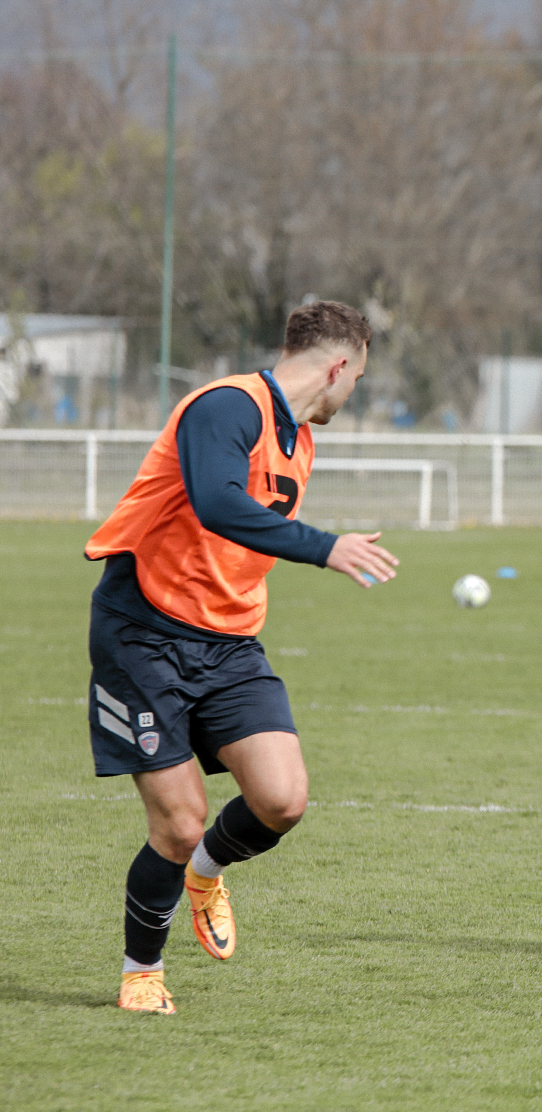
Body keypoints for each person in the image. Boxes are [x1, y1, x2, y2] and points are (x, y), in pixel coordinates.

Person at [85, 302, 398, 1014]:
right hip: (145, 634)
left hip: (228, 643)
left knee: (282, 799)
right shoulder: (227, 407)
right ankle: (142, 972)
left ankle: (205, 876)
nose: (354, 394)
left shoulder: (301, 441)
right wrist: (328, 546)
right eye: (360, 379)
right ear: (339, 366)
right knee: (180, 821)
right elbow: (217, 503)